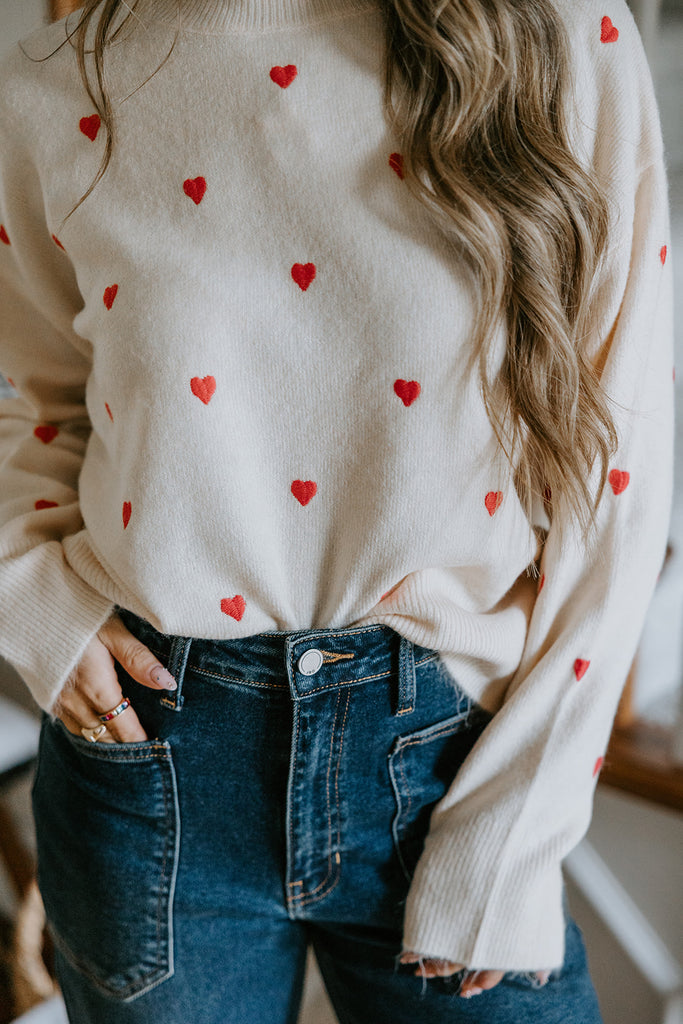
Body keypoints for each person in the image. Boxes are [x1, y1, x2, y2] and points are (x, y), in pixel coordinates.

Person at [0, 0, 673, 1019]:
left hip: (449, 751)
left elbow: (615, 464)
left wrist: (516, 824)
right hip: (151, 755)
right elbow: (34, 405)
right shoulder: (63, 74)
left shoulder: (564, 31)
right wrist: (36, 603)